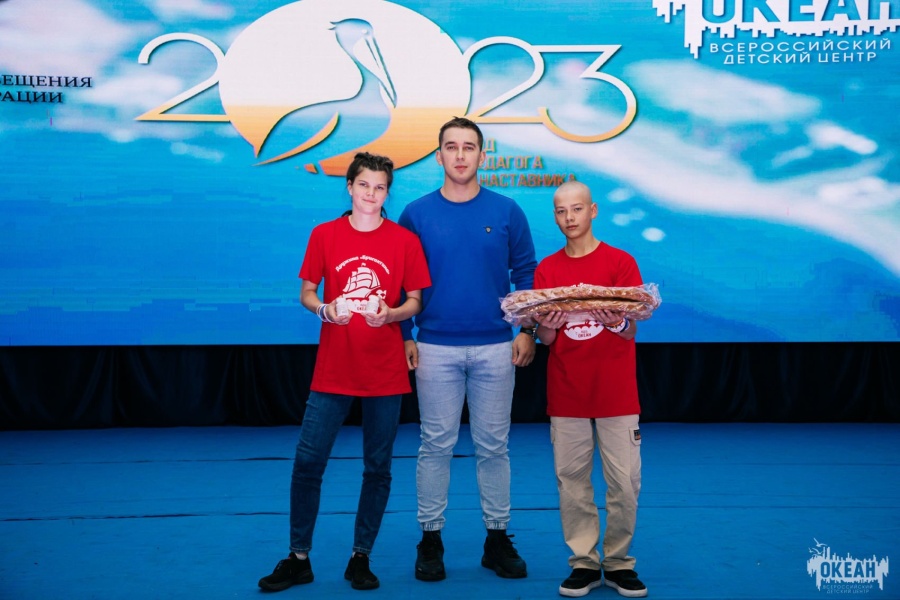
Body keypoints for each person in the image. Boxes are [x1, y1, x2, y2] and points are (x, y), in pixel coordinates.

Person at [258, 152, 431, 593]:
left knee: (378, 467)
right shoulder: (325, 234)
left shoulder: (404, 241)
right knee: (308, 462)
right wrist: (325, 310)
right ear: (350, 186)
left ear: (388, 192)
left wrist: (391, 314)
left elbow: (415, 301)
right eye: (364, 184)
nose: (371, 193)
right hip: (333, 368)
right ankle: (298, 558)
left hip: (385, 371)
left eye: (380, 187)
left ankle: (361, 557)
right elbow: (307, 292)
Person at [397, 116, 538, 582]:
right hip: (434, 349)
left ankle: (496, 539)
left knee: (494, 447)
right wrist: (405, 335)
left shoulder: (507, 211)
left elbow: (526, 274)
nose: (460, 155)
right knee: (435, 445)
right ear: (439, 155)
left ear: (482, 154)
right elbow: (402, 281)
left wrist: (527, 330)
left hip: (497, 348)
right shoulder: (416, 214)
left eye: (469, 147)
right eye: (451, 147)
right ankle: (430, 540)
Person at [532, 180, 648, 598]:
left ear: (593, 210)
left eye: (577, 209)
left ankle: (617, 563)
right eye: (561, 211)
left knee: (625, 483)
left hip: (616, 394)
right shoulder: (547, 270)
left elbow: (631, 329)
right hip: (567, 394)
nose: (570, 218)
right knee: (572, 482)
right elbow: (545, 338)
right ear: (555, 216)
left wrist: (617, 321)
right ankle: (583, 562)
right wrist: (548, 325)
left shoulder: (620, 263)